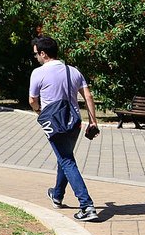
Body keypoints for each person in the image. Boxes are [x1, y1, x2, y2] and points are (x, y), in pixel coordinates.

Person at [29, 36, 101, 222]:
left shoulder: (38, 73)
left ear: (43, 53)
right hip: (74, 122)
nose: (36, 57)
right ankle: (57, 194)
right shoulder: (73, 71)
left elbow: (32, 100)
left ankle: (87, 206)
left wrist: (39, 113)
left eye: (36, 53)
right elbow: (88, 96)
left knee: (67, 160)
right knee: (65, 156)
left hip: (54, 122)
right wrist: (93, 121)